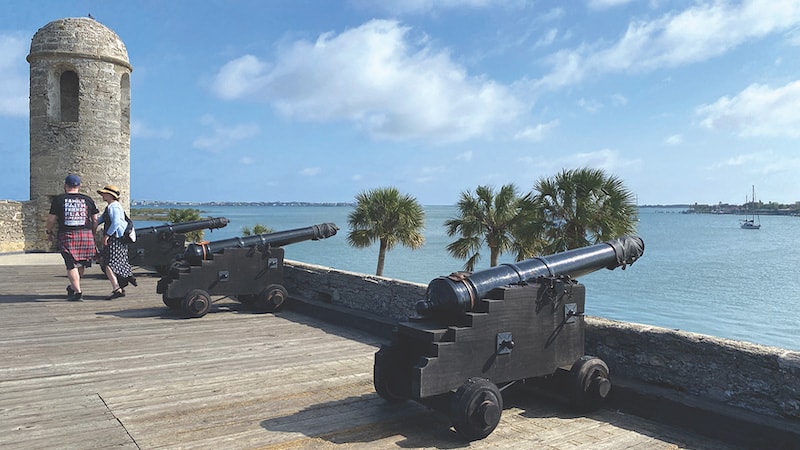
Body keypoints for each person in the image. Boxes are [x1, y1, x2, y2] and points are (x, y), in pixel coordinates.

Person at [46, 174, 99, 301]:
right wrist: (93, 232)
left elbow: (51, 220)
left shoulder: (59, 199)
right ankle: (73, 287)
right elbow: (95, 219)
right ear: (79, 186)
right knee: (80, 263)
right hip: (85, 234)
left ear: (65, 186)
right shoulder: (87, 199)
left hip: (68, 235)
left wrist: (49, 231)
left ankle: (78, 292)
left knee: (71, 264)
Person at [96, 184, 137, 299]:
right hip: (118, 239)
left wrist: (107, 236)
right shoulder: (111, 207)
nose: (102, 195)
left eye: (104, 193)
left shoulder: (113, 207)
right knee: (115, 261)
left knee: (108, 263)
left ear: (110, 195)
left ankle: (117, 288)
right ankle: (123, 282)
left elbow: (116, 223)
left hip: (116, 239)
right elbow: (100, 220)